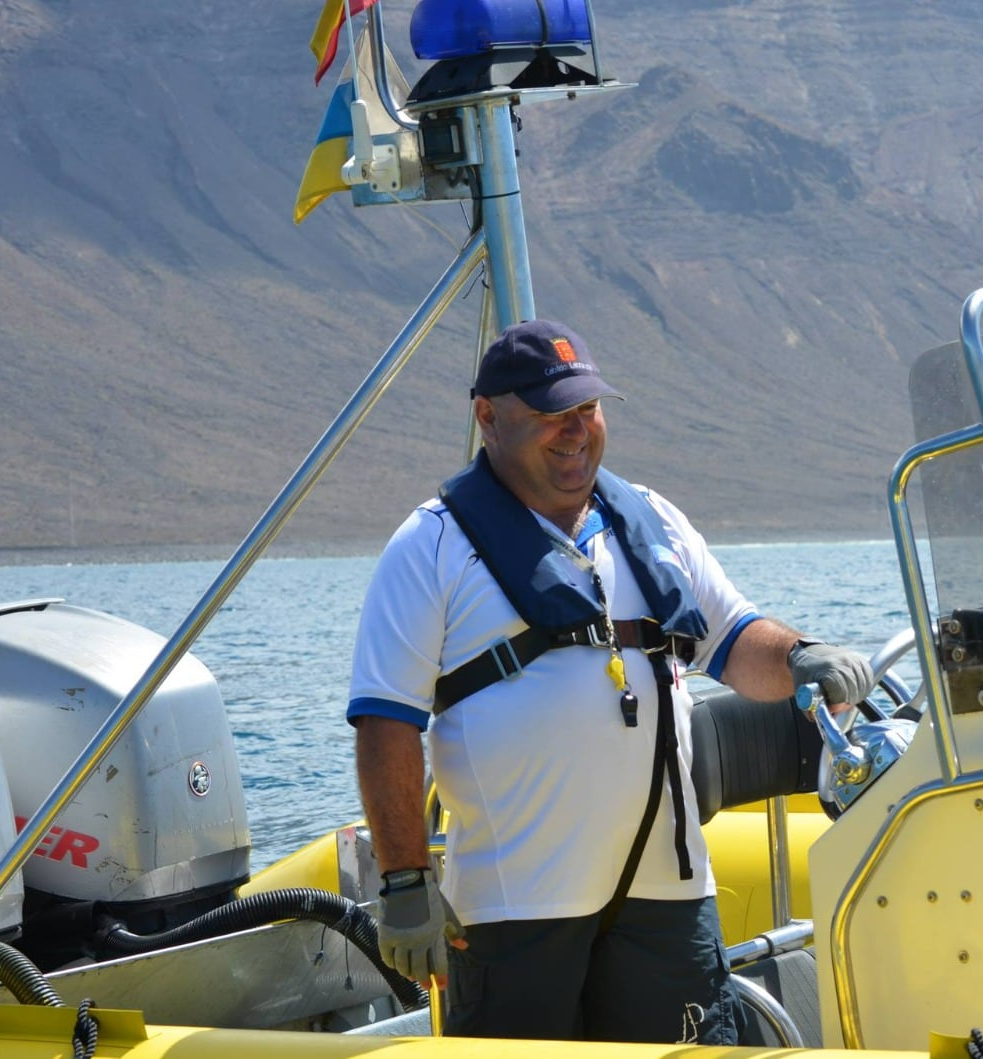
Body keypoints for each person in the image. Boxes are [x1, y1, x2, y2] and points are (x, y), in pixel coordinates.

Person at [346, 319, 874, 1044]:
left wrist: (801, 656)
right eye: (549, 414)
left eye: (587, 410)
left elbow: (737, 637)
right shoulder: (430, 548)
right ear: (487, 418)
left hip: (668, 902)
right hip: (513, 913)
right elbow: (385, 724)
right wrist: (405, 882)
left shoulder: (652, 520)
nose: (575, 431)